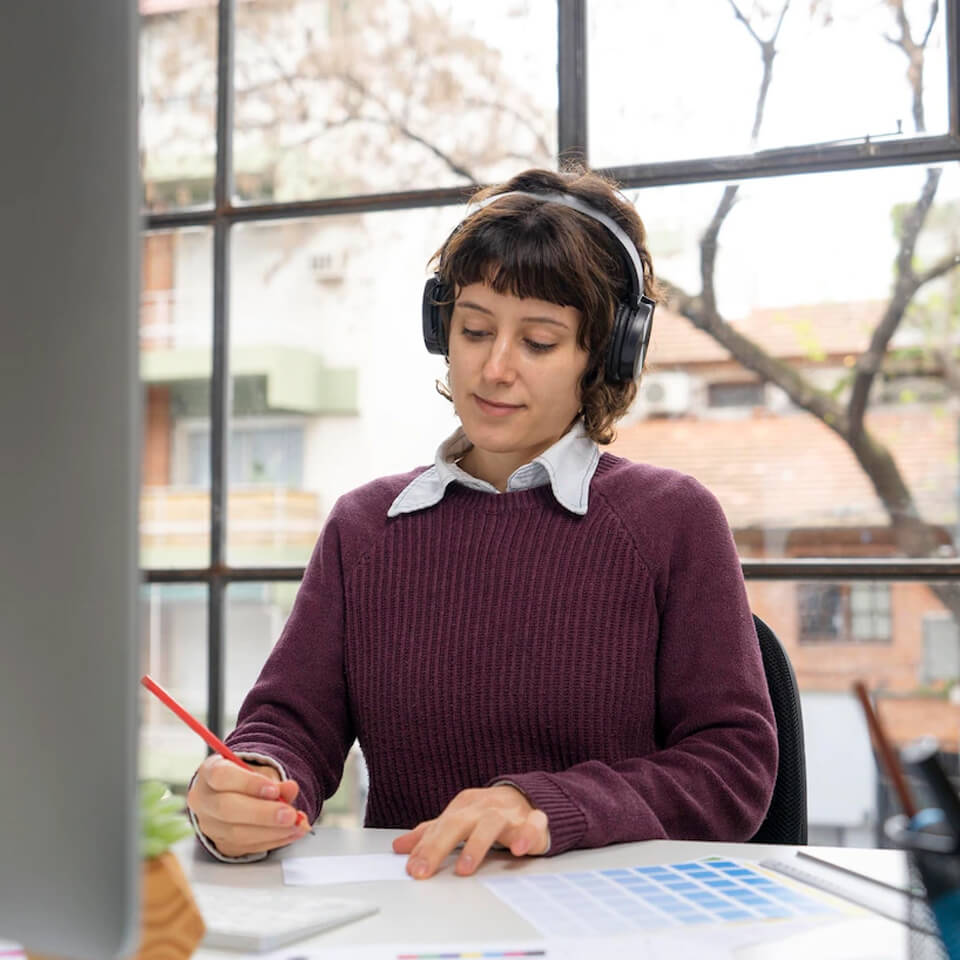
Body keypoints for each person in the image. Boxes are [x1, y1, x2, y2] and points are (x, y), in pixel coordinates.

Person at [186, 165, 778, 878]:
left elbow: (732, 767)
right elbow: (291, 725)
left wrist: (542, 807)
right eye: (474, 329)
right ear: (444, 329)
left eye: (539, 341)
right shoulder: (366, 528)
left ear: (603, 355)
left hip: (611, 925)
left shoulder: (673, 522)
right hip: (415, 910)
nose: (494, 368)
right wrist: (249, 782)